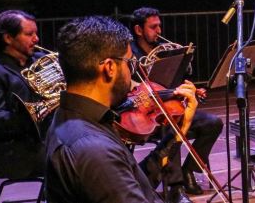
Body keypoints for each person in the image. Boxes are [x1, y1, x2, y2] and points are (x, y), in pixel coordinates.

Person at [46, 16, 199, 203]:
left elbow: (134, 182)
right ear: (110, 67)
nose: (131, 72)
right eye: (129, 63)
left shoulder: (71, 117)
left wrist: (177, 133)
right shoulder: (93, 149)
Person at [128, 7, 223, 197]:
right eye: (153, 27)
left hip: (169, 108)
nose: (159, 31)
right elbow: (134, 91)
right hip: (144, 116)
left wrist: (189, 91)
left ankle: (189, 169)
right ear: (139, 30)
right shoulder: (129, 55)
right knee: (172, 126)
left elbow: (171, 84)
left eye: (159, 26)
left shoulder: (165, 53)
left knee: (214, 123)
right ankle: (175, 187)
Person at [0, 10, 47, 179]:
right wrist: (31, 116)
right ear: (8, 38)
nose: (36, 39)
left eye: (35, 33)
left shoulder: (41, 61)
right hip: (16, 157)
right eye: (29, 34)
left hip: (48, 147)